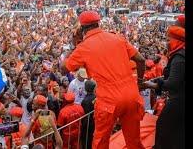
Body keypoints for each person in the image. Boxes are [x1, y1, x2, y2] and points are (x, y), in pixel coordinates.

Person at [62, 10, 146, 149]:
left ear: (82, 28)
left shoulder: (83, 47)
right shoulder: (117, 37)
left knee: (100, 142)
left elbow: (64, 69)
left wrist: (74, 44)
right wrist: (140, 81)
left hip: (108, 101)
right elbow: (141, 60)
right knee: (134, 141)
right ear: (98, 23)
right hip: (132, 95)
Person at [144, 25, 185, 149]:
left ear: (175, 41)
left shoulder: (179, 58)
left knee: (163, 126)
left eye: (168, 39)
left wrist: (154, 84)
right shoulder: (180, 55)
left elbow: (173, 83)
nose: (166, 42)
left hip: (178, 100)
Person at [81, 80, 96, 149]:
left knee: (87, 141)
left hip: (88, 125)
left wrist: (83, 126)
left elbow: (85, 116)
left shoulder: (85, 101)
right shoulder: (96, 97)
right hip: (94, 122)